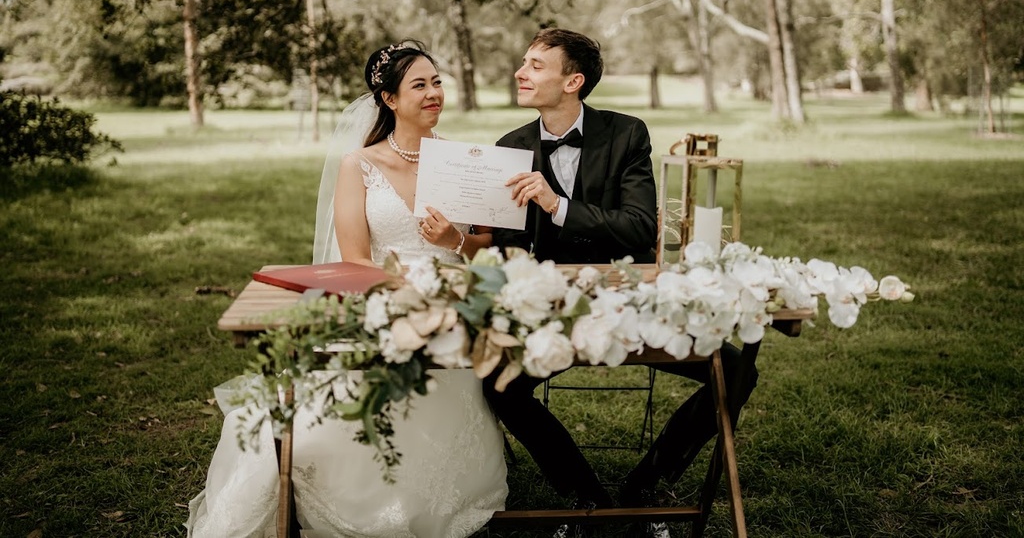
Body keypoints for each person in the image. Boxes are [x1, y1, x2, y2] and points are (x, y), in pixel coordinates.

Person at [186, 41, 507, 538]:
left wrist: (454, 241)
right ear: (389, 99)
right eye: (418, 85)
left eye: (437, 82)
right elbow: (355, 259)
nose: (433, 93)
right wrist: (407, 292)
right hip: (383, 304)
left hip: (455, 309)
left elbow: (487, 250)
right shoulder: (359, 164)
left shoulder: (464, 162)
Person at [485, 28, 757, 538]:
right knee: (499, 386)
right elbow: (504, 245)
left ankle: (647, 486)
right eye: (523, 62)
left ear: (574, 81)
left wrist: (557, 205)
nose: (521, 73)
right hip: (552, 308)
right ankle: (585, 497)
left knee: (737, 370)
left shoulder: (627, 133)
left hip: (633, 299)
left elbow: (638, 227)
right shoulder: (510, 147)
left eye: (536, 65)